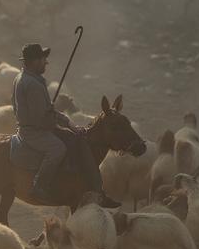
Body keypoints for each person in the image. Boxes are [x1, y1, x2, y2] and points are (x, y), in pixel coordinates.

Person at [11, 43, 121, 208]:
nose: (46, 63)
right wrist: (58, 122)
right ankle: (39, 185)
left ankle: (97, 190)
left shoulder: (25, 78)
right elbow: (41, 117)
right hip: (34, 132)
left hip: (38, 127)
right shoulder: (32, 84)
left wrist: (69, 125)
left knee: (78, 139)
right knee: (58, 149)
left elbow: (45, 112)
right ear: (34, 61)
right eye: (43, 59)